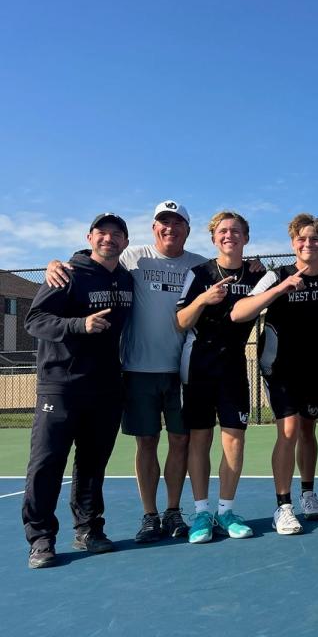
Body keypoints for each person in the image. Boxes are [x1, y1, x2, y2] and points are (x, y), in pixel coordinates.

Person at [44, 200, 207, 543]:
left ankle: (174, 511)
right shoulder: (134, 257)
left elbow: (230, 273)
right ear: (153, 228)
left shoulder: (200, 266)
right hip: (137, 369)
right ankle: (150, 515)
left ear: (187, 230)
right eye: (163, 222)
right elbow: (95, 255)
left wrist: (254, 267)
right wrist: (57, 263)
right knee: (146, 443)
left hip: (182, 371)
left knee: (180, 441)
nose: (170, 228)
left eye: (177, 223)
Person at [23, 213, 134, 568]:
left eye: (117, 234)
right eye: (102, 233)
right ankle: (40, 538)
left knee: (92, 465)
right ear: (89, 237)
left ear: (126, 243)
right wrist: (79, 324)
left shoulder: (127, 279)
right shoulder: (67, 274)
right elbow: (34, 320)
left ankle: (88, 529)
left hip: (105, 387)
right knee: (46, 463)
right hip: (61, 386)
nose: (109, 239)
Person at [230, 214, 318, 533]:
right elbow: (239, 313)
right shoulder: (275, 275)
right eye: (302, 239)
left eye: (315, 239)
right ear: (293, 243)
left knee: (308, 431)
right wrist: (279, 289)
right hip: (279, 369)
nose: (308, 244)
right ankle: (283, 506)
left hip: (315, 369)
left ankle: (308, 493)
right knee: (288, 430)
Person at [176, 211, 265, 543]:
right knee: (200, 439)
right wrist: (203, 298)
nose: (230, 235)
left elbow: (280, 286)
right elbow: (181, 322)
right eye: (223, 231)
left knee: (234, 439)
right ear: (214, 238)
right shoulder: (199, 274)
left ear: (246, 237)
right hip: (199, 364)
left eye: (236, 231)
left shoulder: (258, 275)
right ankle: (201, 512)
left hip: (234, 367)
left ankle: (226, 510)